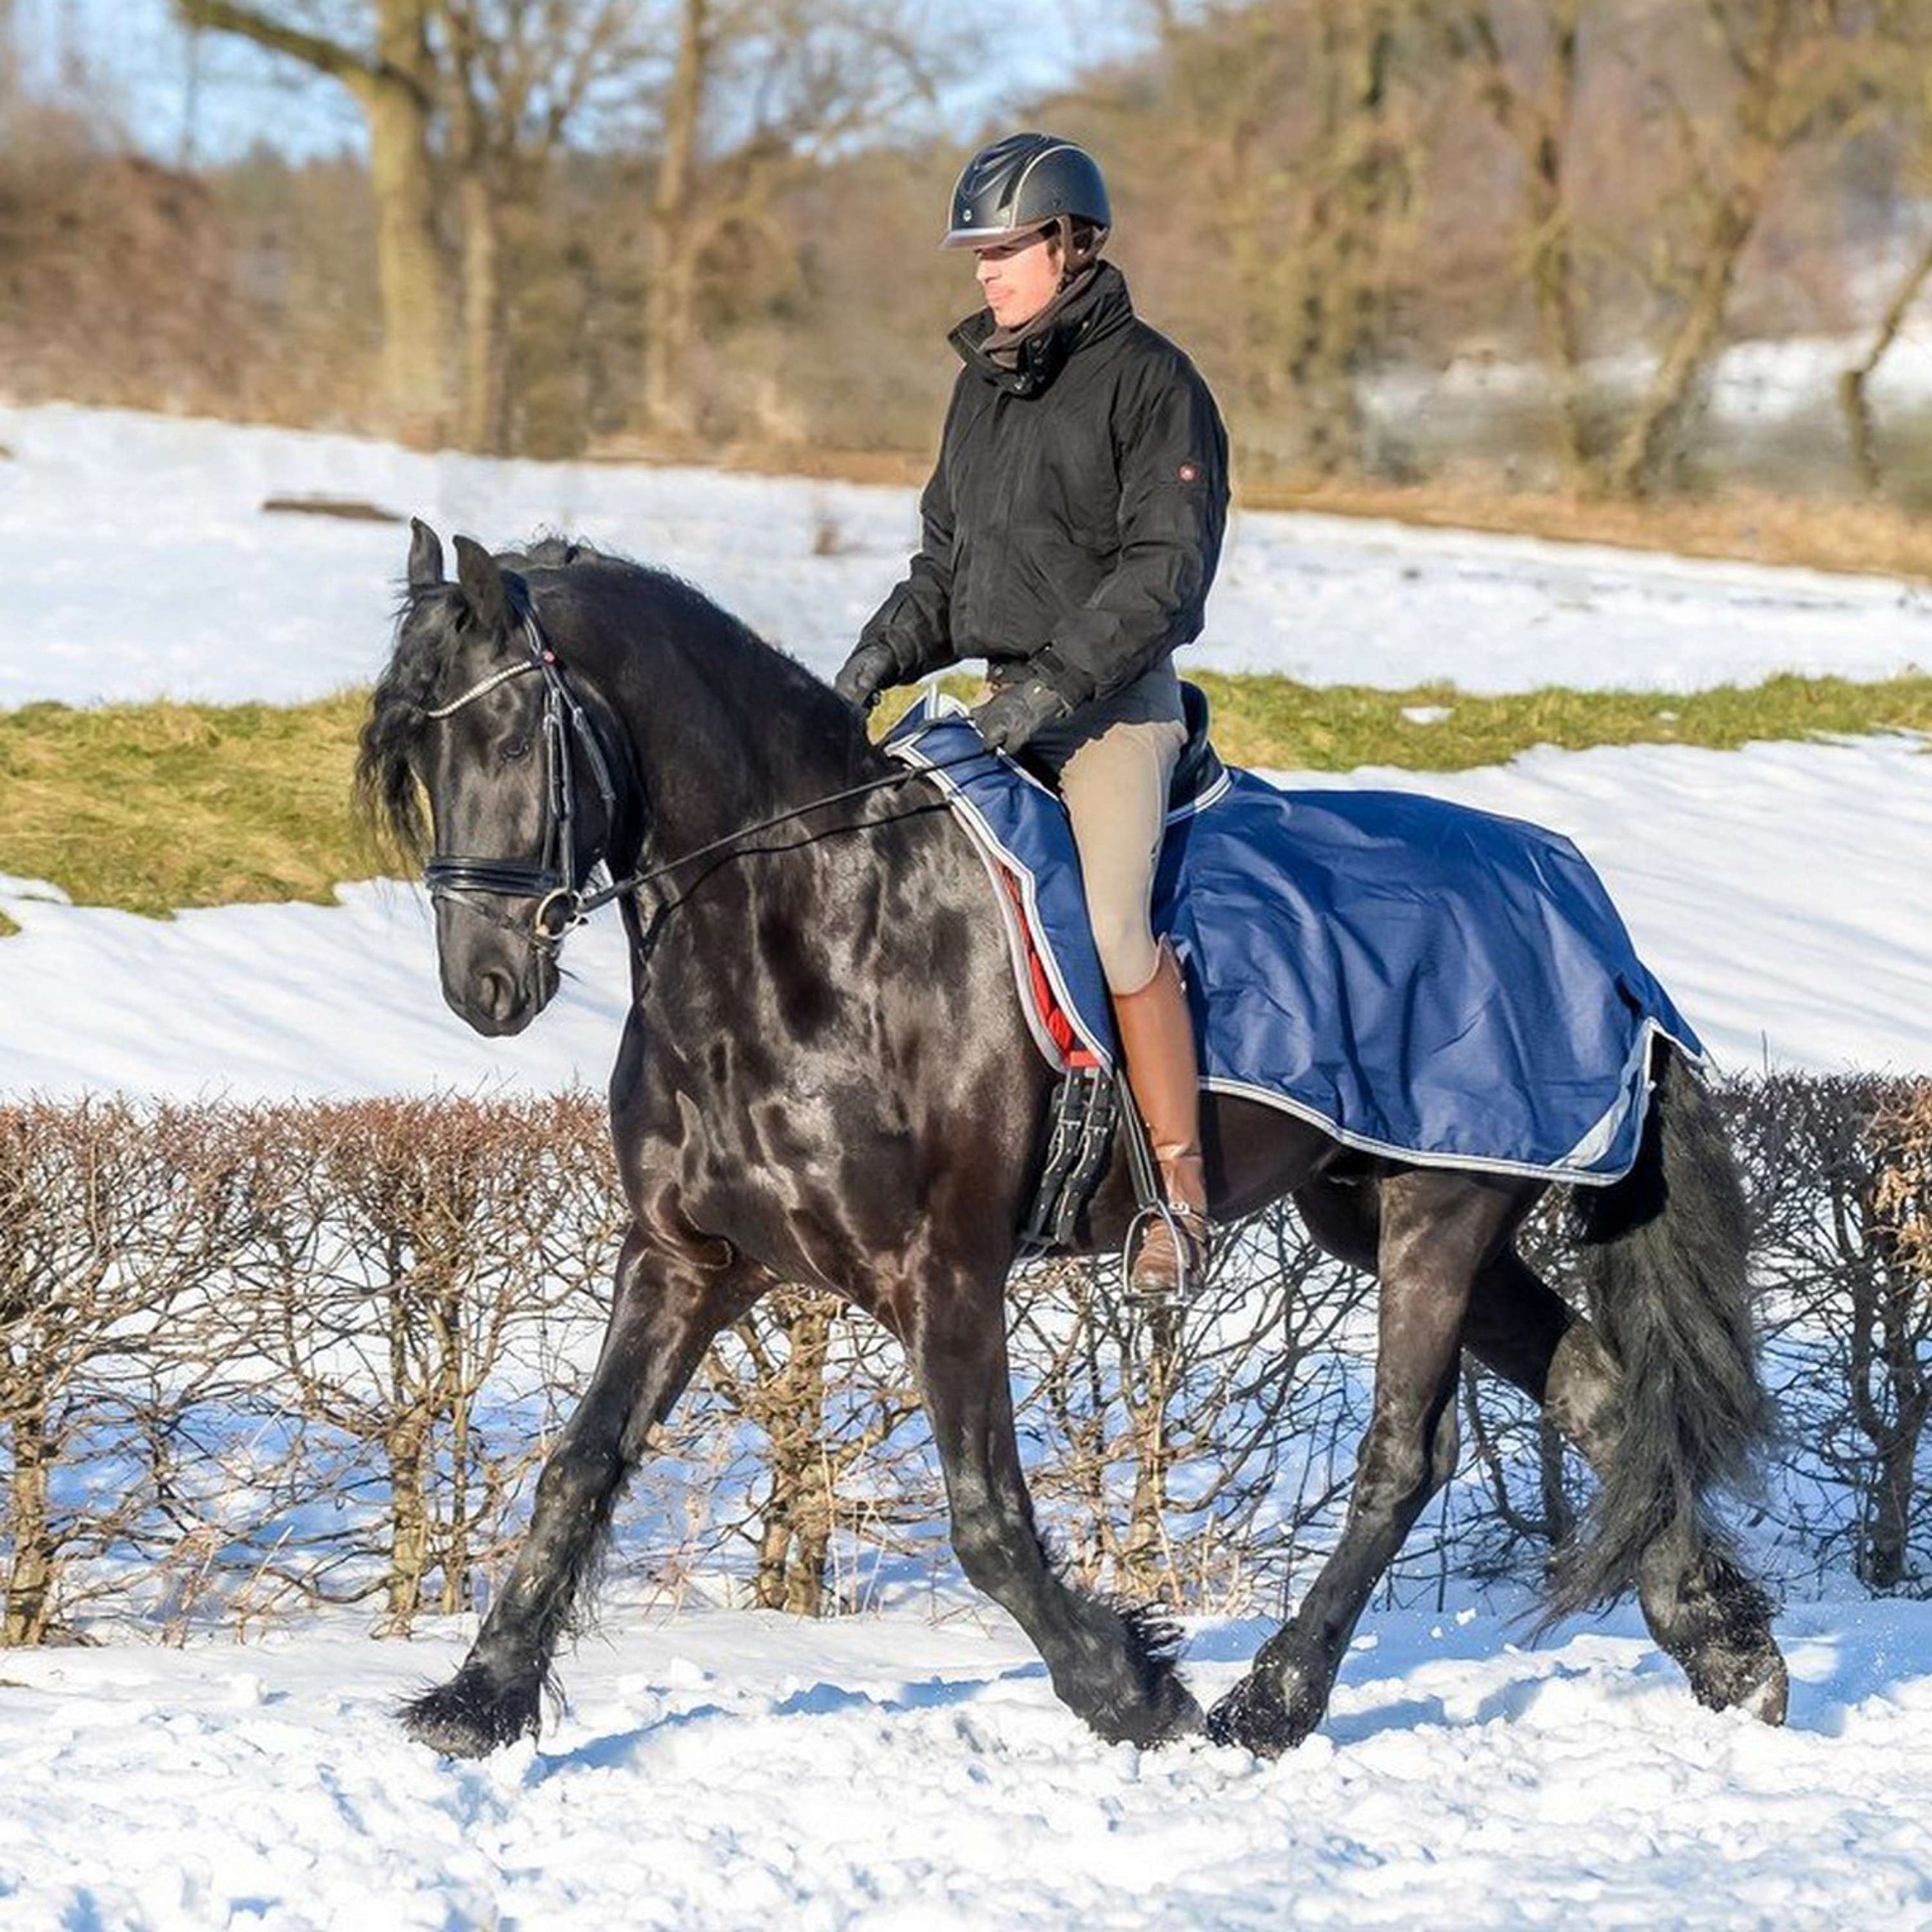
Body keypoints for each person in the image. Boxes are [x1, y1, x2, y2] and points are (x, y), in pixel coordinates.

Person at [834, 131, 1230, 1296]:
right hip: (1004, 701)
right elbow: (945, 572)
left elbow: (1167, 573)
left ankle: (1175, 1199)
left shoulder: (1156, 384)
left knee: (1111, 927)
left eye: (1005, 250)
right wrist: (871, 661)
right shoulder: (979, 389)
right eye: (977, 253)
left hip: (1114, 712)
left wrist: (1056, 686)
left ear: (1070, 244)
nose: (985, 271)